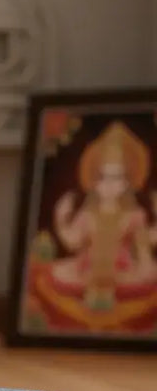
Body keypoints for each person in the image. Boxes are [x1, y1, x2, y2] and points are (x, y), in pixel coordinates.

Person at [48, 121, 157, 311]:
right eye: (104, 177)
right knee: (57, 274)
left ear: (127, 183)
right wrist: (61, 219)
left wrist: (145, 267)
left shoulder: (134, 215)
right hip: (87, 270)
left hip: (123, 273)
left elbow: (144, 246)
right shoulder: (87, 214)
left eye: (117, 178)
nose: (110, 185)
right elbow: (73, 241)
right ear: (94, 182)